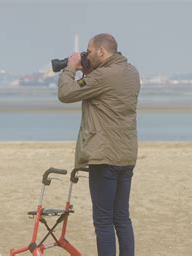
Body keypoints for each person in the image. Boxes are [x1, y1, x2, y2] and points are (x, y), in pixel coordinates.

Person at [57, 33, 140, 256]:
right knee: (122, 218)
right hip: (126, 155)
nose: (88, 55)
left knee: (103, 221)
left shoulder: (104, 77)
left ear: (101, 51)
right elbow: (106, 96)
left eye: (90, 51)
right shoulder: (132, 72)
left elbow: (66, 93)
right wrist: (90, 70)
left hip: (104, 157)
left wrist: (70, 68)